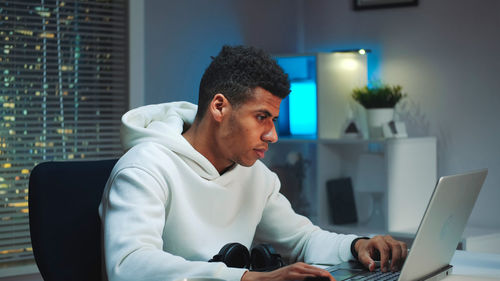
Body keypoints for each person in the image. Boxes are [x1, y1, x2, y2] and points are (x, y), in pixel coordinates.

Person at [99, 45, 407, 281]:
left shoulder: (255, 175)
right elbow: (129, 264)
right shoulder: (145, 167)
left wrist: (358, 245)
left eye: (273, 120)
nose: (272, 135)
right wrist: (247, 278)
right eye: (261, 117)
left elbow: (301, 239)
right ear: (220, 107)